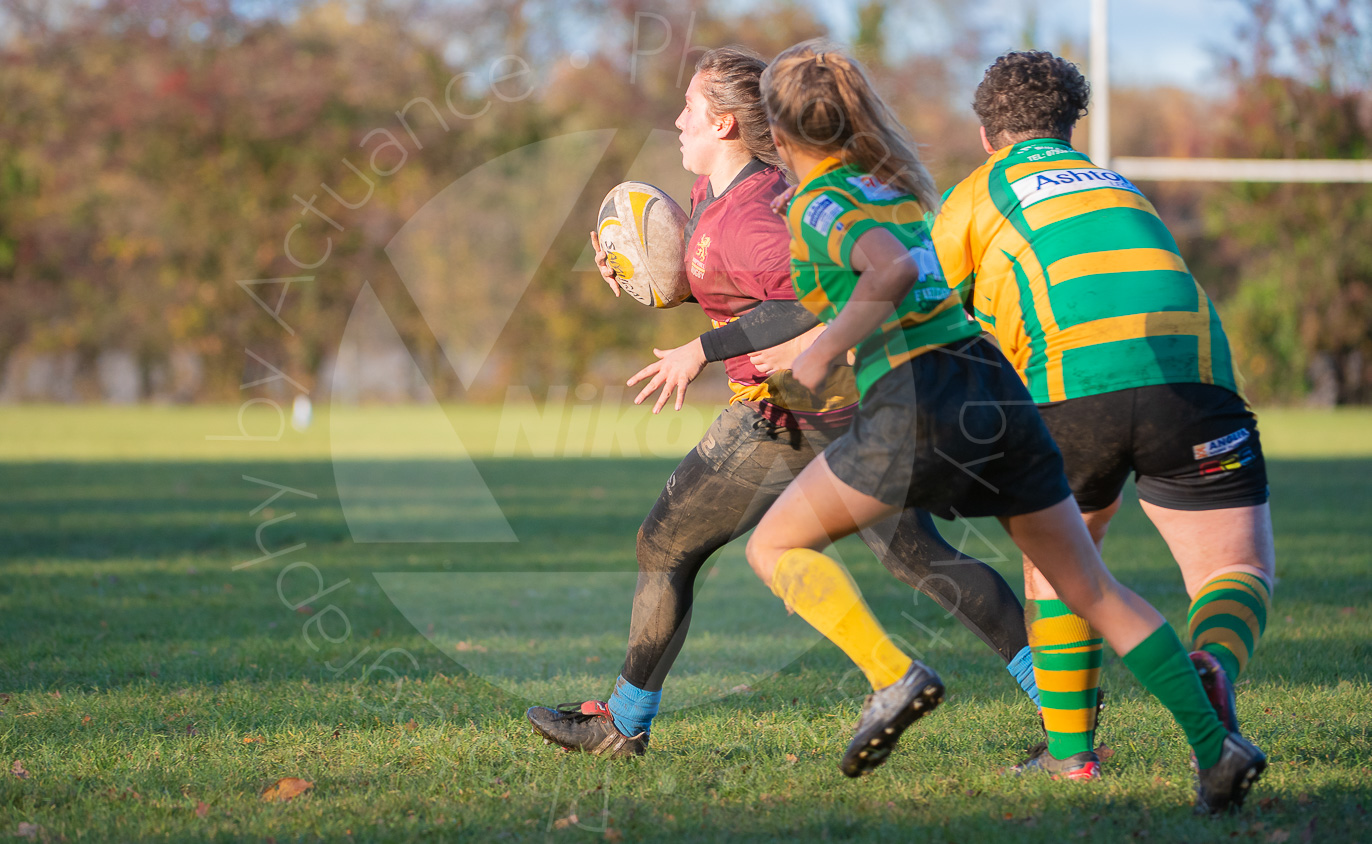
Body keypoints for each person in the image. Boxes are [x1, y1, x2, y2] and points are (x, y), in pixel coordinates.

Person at [744, 38, 1265, 813]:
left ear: (779, 133)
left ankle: (893, 677)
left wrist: (815, 358)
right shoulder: (897, 192)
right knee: (1089, 585)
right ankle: (1216, 748)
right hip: (1006, 389)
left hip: (931, 398)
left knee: (773, 545)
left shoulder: (824, 202)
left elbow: (890, 274)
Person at [525, 46, 1039, 761]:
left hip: (793, 409)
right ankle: (1060, 695)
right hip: (849, 403)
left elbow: (802, 297)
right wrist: (645, 274)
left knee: (665, 542)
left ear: (725, 123)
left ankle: (623, 723)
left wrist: (702, 350)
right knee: (917, 556)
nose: (677, 121)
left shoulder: (756, 215)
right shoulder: (719, 194)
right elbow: (736, 286)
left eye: (689, 108)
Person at [915, 50, 1277, 780]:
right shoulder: (1120, 187)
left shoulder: (975, 194)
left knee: (1060, 570)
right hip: (1196, 381)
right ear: (1070, 127)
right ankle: (1212, 663)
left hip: (1070, 387)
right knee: (1235, 567)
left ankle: (1071, 755)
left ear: (986, 134)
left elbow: (923, 305)